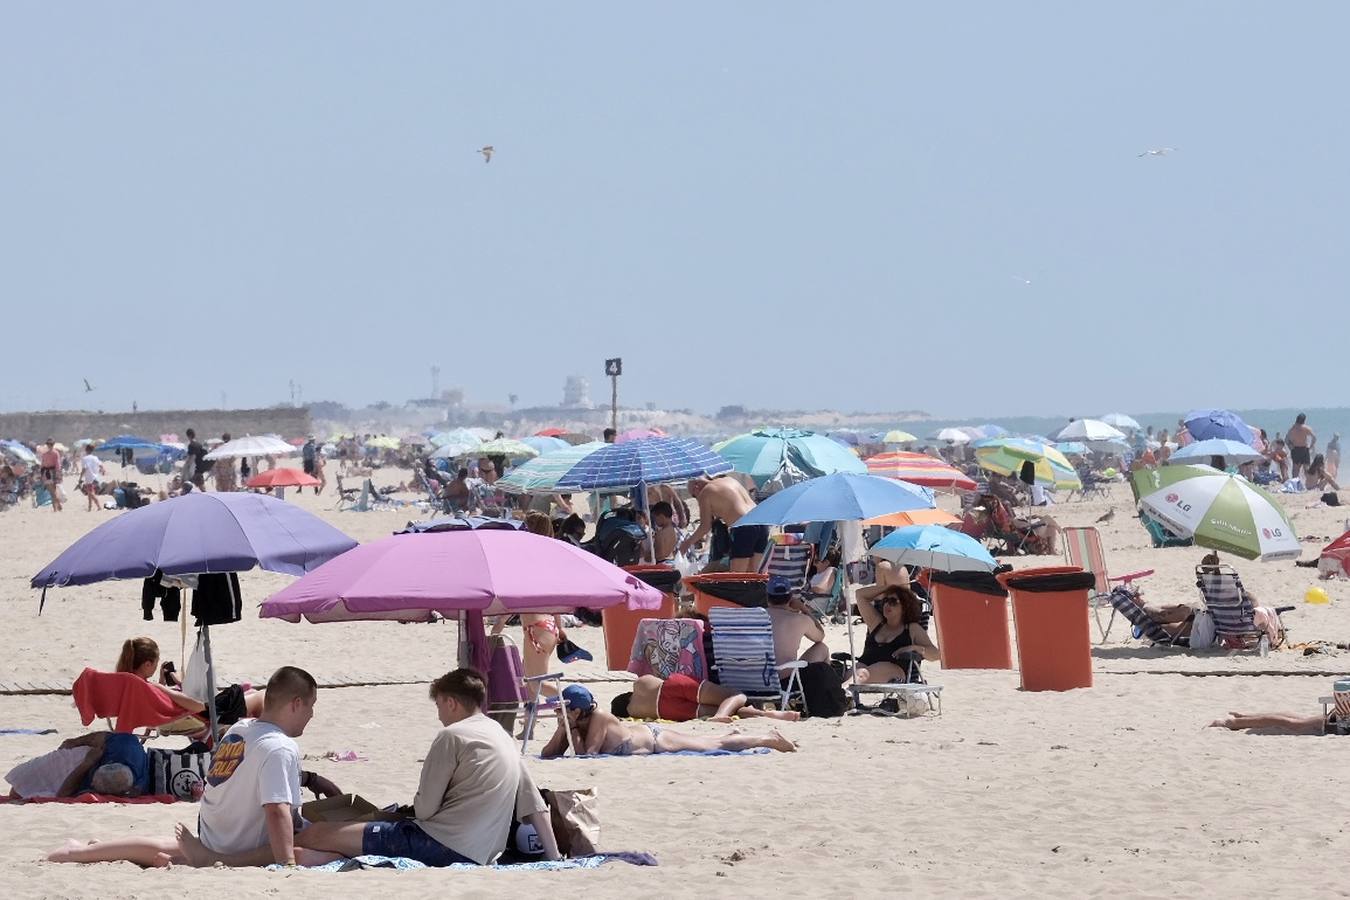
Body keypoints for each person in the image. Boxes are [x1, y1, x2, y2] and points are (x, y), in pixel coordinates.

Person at [48, 666, 339, 868]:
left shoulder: (240, 729)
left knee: (160, 845)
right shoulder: (281, 747)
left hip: (215, 834)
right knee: (323, 850)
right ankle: (194, 860)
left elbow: (250, 776)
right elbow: (276, 811)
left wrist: (308, 778)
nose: (312, 714)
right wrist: (286, 863)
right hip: (240, 847)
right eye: (311, 706)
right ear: (296, 704)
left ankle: (83, 851)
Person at [286, 669, 559, 867]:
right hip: (483, 853)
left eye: (439, 705)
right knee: (353, 837)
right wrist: (554, 859)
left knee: (317, 833)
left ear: (450, 702)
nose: (439, 713)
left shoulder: (452, 736)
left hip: (442, 845)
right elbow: (535, 806)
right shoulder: (502, 735)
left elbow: (426, 810)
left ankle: (247, 858)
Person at [541, 685, 795, 757]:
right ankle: (734, 735)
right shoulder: (572, 722)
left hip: (655, 739)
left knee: (713, 746)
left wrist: (571, 727)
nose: (557, 713)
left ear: (577, 710)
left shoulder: (599, 717)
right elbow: (548, 753)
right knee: (709, 741)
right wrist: (563, 729)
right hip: (651, 737)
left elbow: (588, 754)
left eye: (563, 710)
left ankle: (767, 739)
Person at [7, 731, 149, 800]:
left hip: (82, 768)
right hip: (77, 756)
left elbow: (63, 794)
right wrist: (75, 742)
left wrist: (87, 764)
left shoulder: (134, 785)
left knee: (16, 794)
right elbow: (101, 737)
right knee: (17, 788)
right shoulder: (125, 745)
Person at [610, 673, 801, 723]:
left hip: (667, 711)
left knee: (736, 710)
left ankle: (769, 715)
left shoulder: (633, 712)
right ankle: (721, 714)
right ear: (626, 696)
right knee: (736, 695)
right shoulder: (639, 684)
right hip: (672, 687)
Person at [851, 586, 939, 685]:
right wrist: (889, 587)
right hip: (864, 668)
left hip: (894, 672)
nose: (887, 604)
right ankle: (843, 695)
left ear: (905, 606)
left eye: (893, 601)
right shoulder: (876, 624)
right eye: (885, 600)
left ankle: (842, 693)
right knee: (853, 673)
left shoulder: (912, 628)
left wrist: (915, 647)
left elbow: (935, 655)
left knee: (861, 673)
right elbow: (860, 595)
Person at [678, 475, 767, 572]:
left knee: (738, 577)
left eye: (694, 496)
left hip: (743, 527)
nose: (697, 499)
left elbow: (705, 526)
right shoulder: (730, 480)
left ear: (696, 487)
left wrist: (687, 543)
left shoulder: (705, 493)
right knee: (756, 574)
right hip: (761, 522)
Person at [764, 576, 829, 665]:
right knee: (822, 648)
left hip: (756, 675)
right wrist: (804, 609)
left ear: (767, 597)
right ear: (791, 597)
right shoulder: (800, 619)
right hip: (786, 676)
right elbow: (820, 636)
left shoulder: (755, 616)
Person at [1286, 413, 1316, 479]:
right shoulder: (1306, 428)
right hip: (1304, 449)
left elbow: (1286, 439)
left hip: (1295, 449)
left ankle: (1295, 483)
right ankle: (1309, 483)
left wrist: (1290, 446)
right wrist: (1311, 446)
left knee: (1295, 469)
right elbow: (1314, 438)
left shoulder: (1292, 428)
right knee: (1306, 468)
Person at [39, 438, 62, 512]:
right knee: (53, 491)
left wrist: (42, 474)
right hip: (52, 472)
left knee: (52, 492)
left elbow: (42, 465)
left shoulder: (45, 454)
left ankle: (56, 507)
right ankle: (58, 505)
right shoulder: (55, 453)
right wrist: (58, 473)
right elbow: (57, 464)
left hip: (47, 473)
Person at [78, 443, 103, 511]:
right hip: (96, 478)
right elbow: (101, 465)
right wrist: (102, 471)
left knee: (91, 493)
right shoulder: (95, 458)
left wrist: (80, 477)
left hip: (89, 478)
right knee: (90, 493)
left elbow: (84, 469)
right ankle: (90, 507)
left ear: (86, 450)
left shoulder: (85, 459)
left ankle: (99, 506)